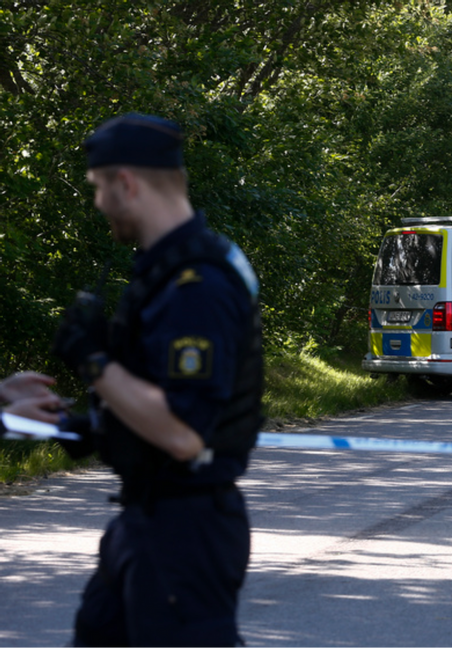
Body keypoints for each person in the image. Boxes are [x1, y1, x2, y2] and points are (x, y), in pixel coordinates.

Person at [51, 112, 264, 648]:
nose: (98, 203)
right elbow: (150, 399)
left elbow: (182, 431)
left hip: (186, 532)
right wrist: (92, 428)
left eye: (99, 188)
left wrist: (93, 360)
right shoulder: (164, 270)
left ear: (126, 183)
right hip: (146, 520)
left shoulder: (199, 285)